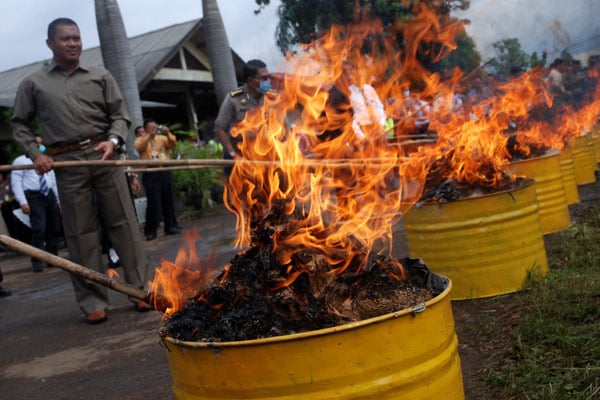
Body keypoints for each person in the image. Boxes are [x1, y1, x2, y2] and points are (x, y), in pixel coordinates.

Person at [11, 17, 151, 324]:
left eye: (76, 37)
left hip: (105, 156)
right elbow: (19, 124)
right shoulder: (34, 84)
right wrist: (36, 155)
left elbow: (120, 115)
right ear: (50, 43)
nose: (73, 43)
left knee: (124, 224)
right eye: (65, 39)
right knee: (80, 233)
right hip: (67, 163)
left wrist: (114, 141)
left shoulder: (100, 75)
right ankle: (92, 302)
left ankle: (140, 291)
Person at [11, 137, 62, 272]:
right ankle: (37, 259)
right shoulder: (20, 161)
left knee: (55, 227)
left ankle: (52, 257)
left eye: (40, 144)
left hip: (48, 194)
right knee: (39, 228)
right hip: (33, 197)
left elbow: (53, 180)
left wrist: (58, 200)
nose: (40, 146)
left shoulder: (46, 159)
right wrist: (23, 202)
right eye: (37, 144)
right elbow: (16, 183)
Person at [214, 59, 271, 176]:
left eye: (268, 77)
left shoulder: (271, 97)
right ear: (251, 81)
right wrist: (233, 154)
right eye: (264, 79)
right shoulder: (234, 98)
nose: (268, 82)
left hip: (262, 154)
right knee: (238, 191)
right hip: (238, 154)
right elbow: (219, 130)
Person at [134, 119, 181, 241]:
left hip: (164, 170)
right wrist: (149, 135)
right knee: (154, 202)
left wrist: (167, 133)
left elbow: (173, 144)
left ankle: (171, 226)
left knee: (168, 199)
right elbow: (139, 148)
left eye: (155, 127)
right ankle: (150, 231)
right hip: (151, 173)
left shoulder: (161, 138)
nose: (153, 129)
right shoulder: (140, 139)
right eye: (150, 128)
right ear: (145, 129)